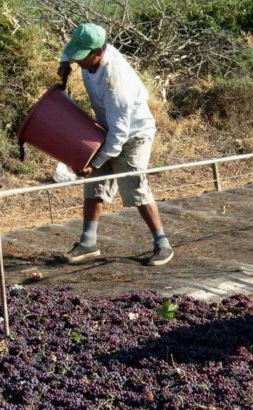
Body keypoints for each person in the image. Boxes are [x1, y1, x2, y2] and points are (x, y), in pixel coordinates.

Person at [56, 22, 173, 267]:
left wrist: (96, 161)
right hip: (107, 128)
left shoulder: (115, 83)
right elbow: (70, 51)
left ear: (98, 52)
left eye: (81, 58)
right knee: (94, 182)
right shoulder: (90, 54)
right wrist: (64, 62)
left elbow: (119, 137)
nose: (79, 63)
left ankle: (162, 244)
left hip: (133, 134)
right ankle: (88, 242)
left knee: (134, 185)